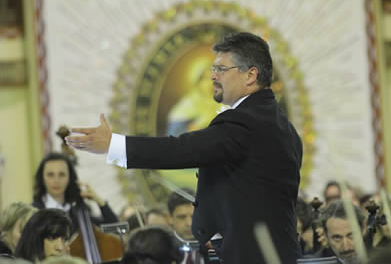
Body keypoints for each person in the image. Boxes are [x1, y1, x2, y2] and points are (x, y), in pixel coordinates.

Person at [66, 32, 303, 264]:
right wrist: (217, 234)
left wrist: (113, 145)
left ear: (250, 75)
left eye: (221, 69)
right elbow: (248, 193)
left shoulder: (247, 122)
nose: (212, 76)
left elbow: (181, 149)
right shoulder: (282, 126)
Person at [32, 152, 118, 232]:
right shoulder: (32, 213)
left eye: (62, 174)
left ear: (70, 178)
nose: (56, 181)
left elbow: (116, 228)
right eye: (50, 175)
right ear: (42, 178)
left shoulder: (78, 212)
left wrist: (99, 201)